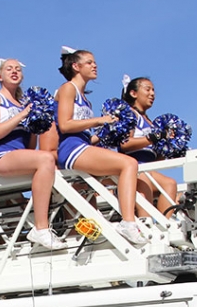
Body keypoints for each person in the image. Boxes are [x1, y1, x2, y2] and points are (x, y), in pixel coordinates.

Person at [55, 49, 147, 246]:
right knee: (129, 164)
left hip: (81, 146)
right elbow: (65, 125)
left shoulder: (84, 97)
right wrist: (99, 120)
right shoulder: (67, 88)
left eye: (94, 62)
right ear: (76, 66)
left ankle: (128, 221)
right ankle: (128, 221)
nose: (94, 65)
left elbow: (84, 133)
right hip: (71, 150)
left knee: (121, 170)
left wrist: (107, 133)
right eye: (89, 62)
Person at [0, 59, 64, 249]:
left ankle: (53, 216)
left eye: (18, 69)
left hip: (19, 155)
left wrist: (36, 123)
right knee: (46, 159)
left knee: (54, 163)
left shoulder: (24, 103)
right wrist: (22, 115)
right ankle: (41, 227)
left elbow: (31, 144)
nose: (14, 71)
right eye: (9, 69)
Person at [118, 76, 181, 218]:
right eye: (147, 89)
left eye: (153, 90)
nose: (152, 93)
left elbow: (156, 159)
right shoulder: (129, 114)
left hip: (148, 169)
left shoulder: (151, 123)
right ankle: (145, 220)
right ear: (133, 93)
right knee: (144, 179)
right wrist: (152, 138)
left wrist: (168, 148)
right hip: (133, 168)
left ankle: (164, 224)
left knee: (170, 183)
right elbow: (125, 144)